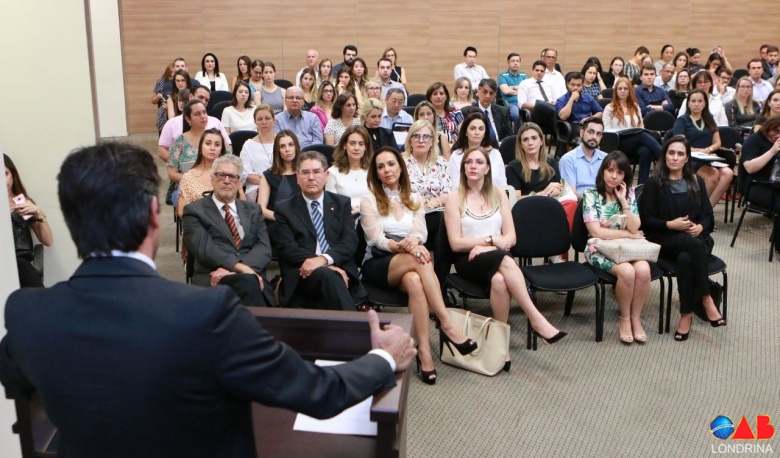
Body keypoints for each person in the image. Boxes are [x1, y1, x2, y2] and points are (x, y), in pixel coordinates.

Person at [0, 142, 413, 458]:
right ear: (154, 215)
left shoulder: (26, 314)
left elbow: (19, 386)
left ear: (72, 221)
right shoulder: (205, 313)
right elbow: (319, 393)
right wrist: (382, 357)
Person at [360, 146, 476, 384]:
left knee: (414, 281)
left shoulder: (414, 198)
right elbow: (376, 240)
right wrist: (407, 247)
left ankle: (424, 352)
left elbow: (420, 232)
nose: (386, 170)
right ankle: (447, 322)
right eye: (380, 167)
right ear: (376, 173)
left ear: (400, 168)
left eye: (391, 164)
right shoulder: (369, 200)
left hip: (408, 262)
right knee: (420, 258)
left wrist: (413, 243)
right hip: (378, 263)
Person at [444, 147, 567, 371]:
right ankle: (536, 319)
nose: (473, 166)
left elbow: (511, 237)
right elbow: (456, 243)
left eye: (479, 162)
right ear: (463, 168)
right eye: (468, 162)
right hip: (468, 260)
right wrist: (491, 240)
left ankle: (501, 344)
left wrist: (489, 246)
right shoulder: (454, 198)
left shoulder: (499, 194)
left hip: (495, 256)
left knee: (500, 281)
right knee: (506, 260)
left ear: (487, 168)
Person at [639, 136, 725, 341]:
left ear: (687, 158)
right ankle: (706, 298)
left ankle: (686, 315)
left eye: (680, 154)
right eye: (671, 153)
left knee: (686, 258)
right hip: (665, 238)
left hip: (696, 238)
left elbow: (708, 217)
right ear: (665, 156)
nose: (675, 158)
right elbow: (646, 220)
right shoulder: (654, 183)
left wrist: (700, 227)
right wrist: (671, 225)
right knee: (692, 248)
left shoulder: (697, 182)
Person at [274, 151, 369, 310]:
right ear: (297, 177)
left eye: (316, 172)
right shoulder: (285, 208)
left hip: (340, 267)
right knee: (329, 276)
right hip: (302, 273)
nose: (311, 177)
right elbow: (287, 248)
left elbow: (350, 241)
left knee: (331, 279)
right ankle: (353, 325)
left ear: (326, 175)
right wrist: (324, 264)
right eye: (305, 172)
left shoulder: (341, 203)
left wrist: (325, 259)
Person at [183, 154, 272, 307]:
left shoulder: (253, 210)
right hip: (213, 276)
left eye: (232, 176)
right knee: (249, 285)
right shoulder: (194, 211)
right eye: (221, 175)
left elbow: (264, 248)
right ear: (212, 178)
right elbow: (205, 249)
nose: (226, 180)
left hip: (252, 274)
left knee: (249, 283)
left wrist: (239, 270)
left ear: (240, 183)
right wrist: (240, 268)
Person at [582, 151, 651, 344]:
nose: (614, 176)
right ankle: (624, 319)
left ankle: (635, 318)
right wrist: (628, 234)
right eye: (610, 170)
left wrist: (623, 201)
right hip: (598, 249)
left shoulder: (628, 194)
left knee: (644, 270)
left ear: (625, 176)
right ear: (602, 171)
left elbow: (635, 226)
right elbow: (596, 232)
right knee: (627, 272)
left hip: (626, 248)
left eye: (619, 173)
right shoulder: (591, 195)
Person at [671, 89, 733, 208]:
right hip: (689, 159)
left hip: (707, 158)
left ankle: (707, 209)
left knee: (728, 173)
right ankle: (699, 210)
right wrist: (696, 150)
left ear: (705, 104)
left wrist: (707, 150)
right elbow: (680, 143)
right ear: (688, 103)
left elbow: (717, 142)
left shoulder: (709, 120)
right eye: (693, 101)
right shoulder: (682, 120)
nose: (696, 104)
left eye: (700, 101)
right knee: (712, 175)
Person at [603, 77, 662, 184]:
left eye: (625, 89)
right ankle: (663, 157)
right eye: (620, 89)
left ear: (629, 90)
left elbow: (641, 126)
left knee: (645, 150)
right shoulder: (609, 107)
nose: (622, 91)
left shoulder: (635, 106)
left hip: (635, 142)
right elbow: (606, 130)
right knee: (641, 135)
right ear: (616, 91)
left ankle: (642, 185)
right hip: (618, 142)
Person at [5, 153, 52, 288]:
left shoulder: (21, 203)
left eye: (5, 174)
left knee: (20, 264)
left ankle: (41, 299)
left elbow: (47, 241)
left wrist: (39, 213)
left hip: (20, 261)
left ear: (13, 175)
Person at [157, 86, 232, 164]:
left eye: (206, 100)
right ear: (191, 96)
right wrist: (177, 164)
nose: (204, 102)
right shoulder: (172, 123)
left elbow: (228, 147)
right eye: (200, 97)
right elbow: (161, 150)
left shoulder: (215, 122)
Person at [740, 115, 780, 253]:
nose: (778, 135)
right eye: (776, 131)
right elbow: (750, 168)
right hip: (756, 187)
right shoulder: (754, 140)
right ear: (768, 128)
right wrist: (772, 151)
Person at [257, 130, 302, 251]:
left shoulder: (305, 173)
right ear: (277, 150)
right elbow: (261, 208)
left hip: (303, 223)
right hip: (277, 223)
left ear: (296, 147)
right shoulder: (268, 176)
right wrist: (283, 218)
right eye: (282, 146)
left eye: (290, 145)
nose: (287, 149)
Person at [176, 128, 229, 218]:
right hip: (199, 222)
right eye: (208, 144)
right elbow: (181, 212)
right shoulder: (189, 177)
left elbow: (241, 206)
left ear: (221, 150)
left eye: (217, 145)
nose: (212, 148)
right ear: (200, 147)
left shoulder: (229, 175)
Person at [168, 99, 209, 208]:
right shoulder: (179, 142)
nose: (203, 116)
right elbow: (172, 173)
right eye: (197, 114)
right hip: (186, 188)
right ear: (188, 119)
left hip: (212, 185)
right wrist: (193, 181)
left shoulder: (216, 139)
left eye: (204, 112)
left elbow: (228, 163)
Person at [447, 112, 507, 188]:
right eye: (473, 128)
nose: (477, 132)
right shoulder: (456, 155)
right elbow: (454, 187)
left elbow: (503, 185)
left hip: (493, 194)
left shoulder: (495, 154)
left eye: (481, 129)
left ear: (485, 133)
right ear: (466, 132)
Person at [326, 124, 372, 212]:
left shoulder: (373, 170)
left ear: (366, 147)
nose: (356, 148)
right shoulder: (333, 172)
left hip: (371, 215)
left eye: (361, 144)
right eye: (352, 143)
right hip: (345, 216)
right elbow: (331, 205)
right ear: (344, 145)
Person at [559, 117, 607, 199]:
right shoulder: (568, 159)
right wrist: (594, 200)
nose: (594, 137)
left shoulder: (606, 158)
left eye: (598, 134)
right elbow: (571, 194)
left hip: (604, 202)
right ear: (582, 133)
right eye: (591, 132)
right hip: (580, 203)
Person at [241, 105, 276, 202]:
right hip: (256, 188)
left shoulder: (282, 142)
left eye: (267, 118)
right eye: (259, 119)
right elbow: (246, 176)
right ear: (255, 122)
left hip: (280, 187)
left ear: (274, 120)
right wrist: (272, 182)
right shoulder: (248, 145)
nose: (264, 122)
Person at [556, 72, 603, 141]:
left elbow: (600, 112)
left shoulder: (588, 97)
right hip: (571, 125)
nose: (575, 88)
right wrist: (571, 99)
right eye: (573, 85)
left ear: (582, 85)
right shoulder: (561, 100)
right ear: (567, 84)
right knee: (585, 133)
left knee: (601, 133)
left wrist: (590, 118)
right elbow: (563, 117)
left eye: (578, 85)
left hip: (587, 124)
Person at [474, 78, 513, 142]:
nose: (488, 96)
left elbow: (509, 135)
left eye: (491, 93)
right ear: (478, 90)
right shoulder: (469, 111)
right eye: (485, 92)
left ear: (495, 95)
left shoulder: (502, 111)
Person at [499, 53, 528, 132]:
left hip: (524, 103)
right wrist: (520, 89)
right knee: (517, 115)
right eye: (513, 61)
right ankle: (517, 136)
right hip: (510, 104)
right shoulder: (503, 76)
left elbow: (527, 90)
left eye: (517, 61)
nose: (515, 63)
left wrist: (512, 87)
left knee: (536, 112)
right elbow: (506, 91)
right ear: (508, 63)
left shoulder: (523, 75)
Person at [152, 62, 174, 133]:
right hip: (163, 116)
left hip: (176, 114)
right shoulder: (161, 82)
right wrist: (158, 97)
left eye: (173, 77)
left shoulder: (180, 83)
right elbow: (153, 100)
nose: (172, 79)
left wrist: (169, 107)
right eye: (170, 76)